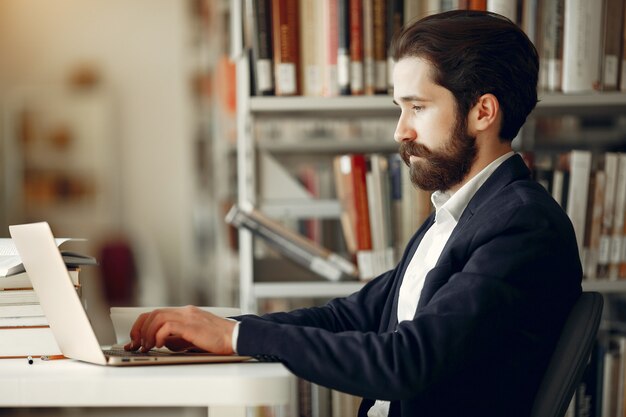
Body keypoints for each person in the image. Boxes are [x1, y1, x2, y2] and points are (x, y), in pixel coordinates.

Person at [126, 10, 582, 417]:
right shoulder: (460, 212)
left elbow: (407, 362)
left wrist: (236, 340)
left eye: (417, 108)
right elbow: (350, 317)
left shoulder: (521, 225)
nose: (400, 130)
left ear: (483, 111)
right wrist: (221, 329)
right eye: (399, 109)